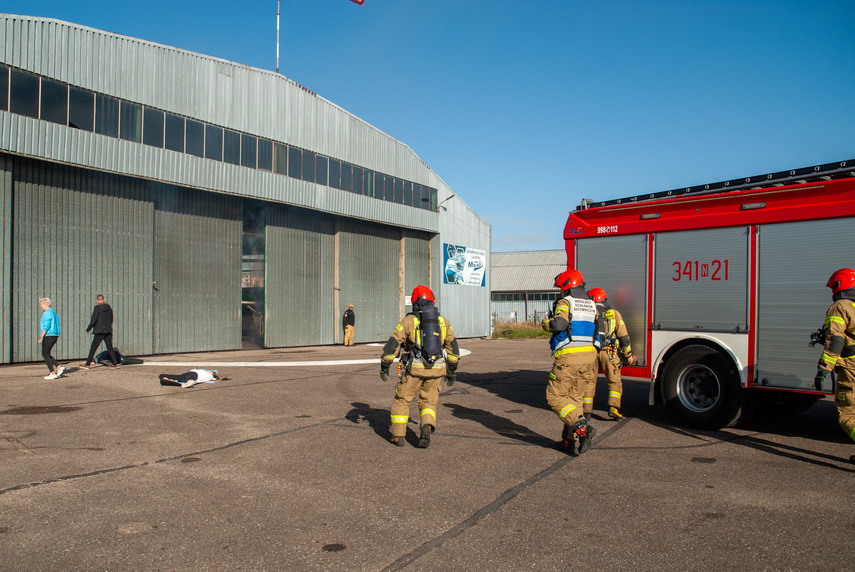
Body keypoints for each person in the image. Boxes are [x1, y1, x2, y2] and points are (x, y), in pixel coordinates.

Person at [379, 285, 460, 448]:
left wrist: (385, 365)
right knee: (429, 402)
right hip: (437, 370)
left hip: (414, 369)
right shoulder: (443, 322)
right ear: (431, 300)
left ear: (415, 302)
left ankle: (398, 436)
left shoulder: (409, 321)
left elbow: (393, 343)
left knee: (402, 400)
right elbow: (453, 349)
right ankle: (426, 427)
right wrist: (451, 372)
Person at [541, 270, 599, 454]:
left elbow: (559, 324)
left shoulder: (566, 302)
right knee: (574, 400)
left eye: (560, 288)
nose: (560, 292)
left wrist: (546, 323)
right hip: (589, 359)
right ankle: (569, 441)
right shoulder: (592, 305)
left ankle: (581, 426)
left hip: (569, 358)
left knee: (555, 397)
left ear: (567, 286)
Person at [814, 268, 855, 460]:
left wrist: (823, 369)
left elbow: (836, 341)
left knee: (848, 415)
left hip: (851, 367)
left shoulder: (840, 307)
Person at [584, 288, 637, 421]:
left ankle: (586, 412)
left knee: (589, 381)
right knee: (614, 380)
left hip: (591, 352)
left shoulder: (587, 314)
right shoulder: (614, 314)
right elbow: (623, 336)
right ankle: (614, 408)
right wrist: (628, 354)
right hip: (609, 352)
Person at [81, 294, 118, 369]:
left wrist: (88, 328)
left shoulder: (97, 308)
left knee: (93, 348)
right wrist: (108, 326)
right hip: (107, 330)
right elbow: (111, 318)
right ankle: (115, 363)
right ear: (103, 299)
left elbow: (93, 319)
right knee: (110, 347)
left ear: (97, 300)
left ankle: (87, 364)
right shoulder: (109, 308)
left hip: (99, 331)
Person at [37, 298, 64, 379]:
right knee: (46, 353)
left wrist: (41, 337)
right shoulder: (53, 313)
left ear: (45, 304)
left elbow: (46, 326)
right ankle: (59, 367)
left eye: (41, 304)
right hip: (54, 335)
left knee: (45, 354)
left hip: (49, 335)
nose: (40, 306)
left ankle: (52, 373)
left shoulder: (47, 313)